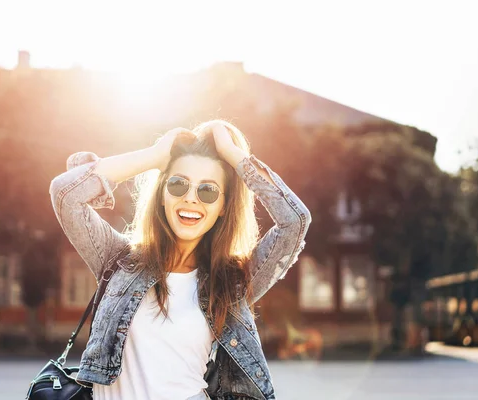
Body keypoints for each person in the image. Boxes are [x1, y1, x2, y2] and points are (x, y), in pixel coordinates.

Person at [49, 120, 311, 400]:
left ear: (223, 207)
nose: (191, 199)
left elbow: (295, 221)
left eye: (208, 190)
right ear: (162, 194)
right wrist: (154, 156)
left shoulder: (233, 281)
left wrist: (232, 154)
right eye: (177, 184)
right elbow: (66, 195)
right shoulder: (118, 259)